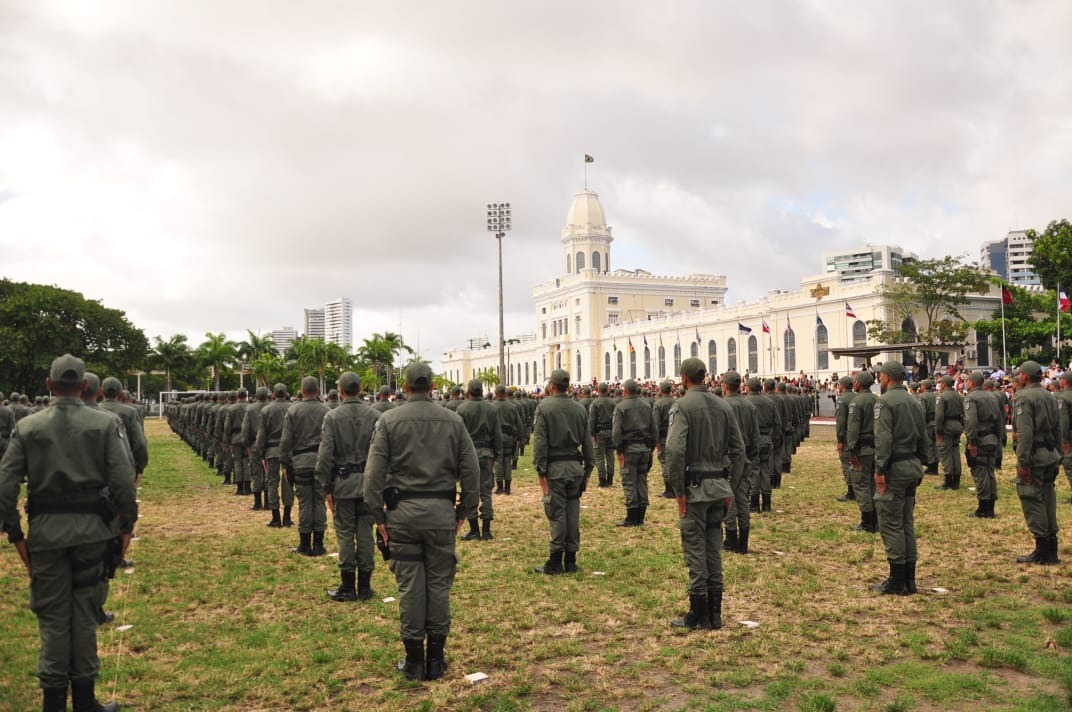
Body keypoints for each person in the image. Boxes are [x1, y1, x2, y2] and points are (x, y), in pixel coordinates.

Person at [0, 354, 137, 712]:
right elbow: (123, 481)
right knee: (85, 614)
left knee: (54, 619)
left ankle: (54, 703)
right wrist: (126, 528)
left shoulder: (28, 427)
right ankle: (86, 701)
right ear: (83, 387)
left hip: (45, 536)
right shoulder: (105, 424)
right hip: (94, 535)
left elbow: (5, 485)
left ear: (49, 385)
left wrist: (16, 535)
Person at [364, 362, 479, 681]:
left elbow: (372, 475)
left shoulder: (388, 420)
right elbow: (472, 470)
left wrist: (379, 517)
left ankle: (414, 660)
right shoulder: (453, 421)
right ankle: (436, 659)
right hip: (440, 514)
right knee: (439, 585)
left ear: (405, 384)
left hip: (402, 516)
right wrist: (463, 512)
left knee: (410, 586)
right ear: (431, 385)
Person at [665, 358, 745, 630]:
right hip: (719, 488)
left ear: (684, 378)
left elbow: (675, 452)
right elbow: (739, 450)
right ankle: (715, 613)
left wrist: (678, 490)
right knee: (713, 549)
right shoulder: (723, 405)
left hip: (695, 489)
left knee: (696, 550)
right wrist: (729, 485)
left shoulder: (682, 406)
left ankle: (698, 611)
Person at [316, 372, 381, 601]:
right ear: (360, 388)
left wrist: (325, 488)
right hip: (368, 484)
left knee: (345, 533)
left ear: (341, 391)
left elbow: (325, 456)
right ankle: (364, 586)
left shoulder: (332, 417)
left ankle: (348, 587)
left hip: (342, 485)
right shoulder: (375, 415)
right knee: (365, 533)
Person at [869, 361, 927, 595]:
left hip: (894, 468)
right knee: (906, 523)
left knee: (891, 524)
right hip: (911, 465)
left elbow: (883, 440)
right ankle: (909, 579)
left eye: (880, 376)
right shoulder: (914, 400)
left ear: (886, 377)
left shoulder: (884, 402)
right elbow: (924, 436)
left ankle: (896, 580)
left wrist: (880, 469)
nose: (879, 380)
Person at [532, 369, 594, 575]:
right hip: (575, 468)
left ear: (551, 385)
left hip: (555, 469)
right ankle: (571, 559)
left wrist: (541, 473)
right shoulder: (579, 409)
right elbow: (587, 443)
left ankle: (555, 560)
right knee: (572, 513)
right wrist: (587, 471)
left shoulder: (545, 407)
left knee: (557, 513)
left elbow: (540, 443)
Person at [1011, 361, 1062, 565]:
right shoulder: (1049, 395)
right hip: (1050, 453)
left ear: (1025, 376)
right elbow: (1058, 428)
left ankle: (1042, 549)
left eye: (1020, 374)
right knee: (1048, 497)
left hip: (1034, 456)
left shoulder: (1023, 398)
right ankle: (1051, 547)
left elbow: (1024, 434)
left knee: (1032, 498)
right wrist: (1057, 453)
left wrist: (1023, 462)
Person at [280, 377, 330, 556]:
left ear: (302, 390)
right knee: (319, 502)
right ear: (317, 390)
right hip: (321, 462)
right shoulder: (327, 411)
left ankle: (304, 544)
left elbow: (286, 441)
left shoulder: (293, 411)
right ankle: (319, 544)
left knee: (305, 503)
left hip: (300, 463)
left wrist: (285, 463)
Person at [456, 380, 503, 541]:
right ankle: (487, 531)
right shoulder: (492, 409)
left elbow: (459, 436)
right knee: (486, 491)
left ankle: (474, 530)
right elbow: (497, 434)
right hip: (487, 453)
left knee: (470, 491)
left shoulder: (462, 409)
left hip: (468, 455)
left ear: (468, 391)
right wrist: (497, 454)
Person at [611, 379, 658, 527]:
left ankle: (632, 517)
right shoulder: (646, 405)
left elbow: (617, 432)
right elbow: (654, 428)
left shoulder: (620, 407)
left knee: (629, 482)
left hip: (629, 450)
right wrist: (651, 448)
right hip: (644, 448)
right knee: (642, 481)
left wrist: (618, 450)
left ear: (624, 391)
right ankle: (641, 516)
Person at [719, 372, 757, 553]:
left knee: (728, 498)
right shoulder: (749, 406)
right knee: (743, 499)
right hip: (746, 458)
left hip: (727, 458)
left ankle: (731, 539)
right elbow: (755, 436)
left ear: (725, 385)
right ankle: (743, 542)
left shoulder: (721, 406)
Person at [254, 384, 295, 528]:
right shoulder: (293, 408)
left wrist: (260, 453)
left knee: (272, 482)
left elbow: (261, 435)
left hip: (271, 451)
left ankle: (276, 517)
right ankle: (287, 517)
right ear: (286, 394)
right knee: (288, 482)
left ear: (273, 395)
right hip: (289, 451)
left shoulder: (266, 410)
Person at [964, 372, 1002, 518]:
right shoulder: (992, 396)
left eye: (967, 381)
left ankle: (983, 508)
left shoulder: (971, 398)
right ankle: (990, 506)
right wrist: (998, 438)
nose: (966, 383)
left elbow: (971, 422)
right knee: (989, 472)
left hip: (979, 440)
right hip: (992, 438)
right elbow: (999, 420)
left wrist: (972, 442)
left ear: (972, 383)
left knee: (980, 473)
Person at [99, 377, 149, 486]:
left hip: (98, 468)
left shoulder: (93, 410)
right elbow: (139, 442)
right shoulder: (129, 412)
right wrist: (140, 467)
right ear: (120, 393)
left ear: (101, 391)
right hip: (124, 464)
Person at [846, 372, 878, 533]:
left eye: (855, 381)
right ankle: (876, 520)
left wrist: (852, 449)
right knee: (873, 484)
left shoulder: (856, 402)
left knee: (861, 484)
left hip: (862, 450)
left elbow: (853, 429)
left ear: (859, 383)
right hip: (876, 448)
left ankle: (867, 522)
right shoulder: (878, 400)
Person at [746, 376, 781, 517]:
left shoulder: (746, 402)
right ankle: (766, 504)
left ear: (748, 387)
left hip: (752, 440)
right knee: (765, 470)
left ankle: (754, 505)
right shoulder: (769, 402)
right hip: (766, 439)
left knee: (753, 471)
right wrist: (773, 439)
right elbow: (777, 423)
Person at [934, 375, 965, 490]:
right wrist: (961, 425)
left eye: (941, 383)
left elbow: (939, 416)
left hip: (946, 425)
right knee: (955, 452)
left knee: (946, 453)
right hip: (957, 424)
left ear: (944, 384)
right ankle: (956, 480)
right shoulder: (960, 396)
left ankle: (948, 480)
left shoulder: (941, 397)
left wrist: (938, 431)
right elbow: (964, 413)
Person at [492, 384, 523, 495]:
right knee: (507, 461)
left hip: (497, 438)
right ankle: (508, 488)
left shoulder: (492, 406)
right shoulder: (512, 406)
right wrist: (519, 438)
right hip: (509, 438)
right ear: (505, 393)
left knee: (498, 462)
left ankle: (500, 487)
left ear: (496, 393)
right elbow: (519, 424)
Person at [588, 382, 616, 487]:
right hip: (611, 432)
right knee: (610, 456)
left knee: (599, 457)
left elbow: (592, 420)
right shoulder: (613, 403)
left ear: (598, 390)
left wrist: (591, 434)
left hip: (599, 433)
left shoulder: (595, 403)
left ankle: (602, 480)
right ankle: (610, 479)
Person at [833, 376, 856, 502]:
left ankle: (851, 491)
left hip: (847, 437)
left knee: (847, 463)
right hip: (860, 437)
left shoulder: (842, 400)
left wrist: (840, 440)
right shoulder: (858, 397)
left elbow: (841, 422)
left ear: (842, 385)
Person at [652, 381, 676, 498]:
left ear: (661, 390)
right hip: (675, 435)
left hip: (663, 437)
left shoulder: (659, 404)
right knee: (675, 461)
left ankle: (669, 489)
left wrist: (655, 440)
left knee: (665, 462)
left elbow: (655, 424)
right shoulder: (677, 402)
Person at [917, 379, 939, 474]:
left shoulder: (923, 397)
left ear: (925, 386)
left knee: (929, 445)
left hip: (928, 423)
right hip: (936, 422)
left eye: (921, 385)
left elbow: (923, 412)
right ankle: (936, 466)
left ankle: (931, 466)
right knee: (936, 445)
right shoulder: (936, 396)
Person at [1058, 372, 1072, 502]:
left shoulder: (1064, 398)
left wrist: (1064, 441)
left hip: (1070, 437)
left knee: (1069, 464)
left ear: (1064, 381)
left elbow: (1064, 421)